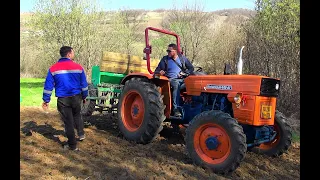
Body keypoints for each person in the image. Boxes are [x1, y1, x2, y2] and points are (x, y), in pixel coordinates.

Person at [42, 46, 88, 151]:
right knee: (77, 115)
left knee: (68, 122)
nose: (73, 54)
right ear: (69, 54)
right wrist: (84, 96)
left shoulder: (53, 68)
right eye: (73, 52)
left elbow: (48, 86)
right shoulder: (79, 67)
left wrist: (46, 100)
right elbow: (84, 84)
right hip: (77, 97)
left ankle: (72, 145)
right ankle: (81, 134)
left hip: (63, 99)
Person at [154, 43, 194, 117]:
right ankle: (176, 109)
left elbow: (191, 68)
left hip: (183, 79)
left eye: (169, 51)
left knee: (194, 83)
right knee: (176, 84)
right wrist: (159, 72)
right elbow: (156, 71)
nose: (168, 52)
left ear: (175, 51)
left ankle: (192, 105)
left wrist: (185, 73)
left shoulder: (182, 58)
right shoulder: (165, 59)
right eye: (167, 51)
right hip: (171, 79)